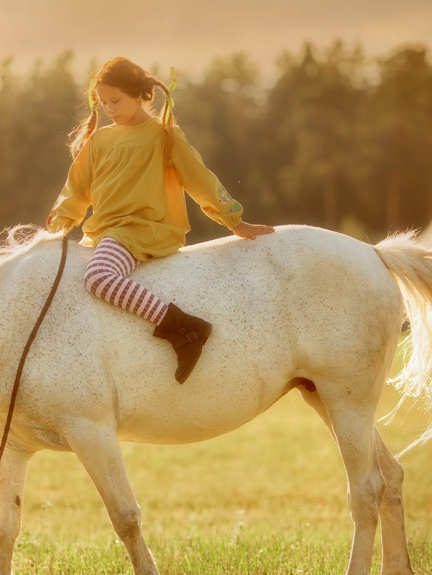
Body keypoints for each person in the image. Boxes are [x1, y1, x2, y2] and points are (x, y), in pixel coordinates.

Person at [46, 57, 274, 384]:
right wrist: (56, 227)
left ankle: (183, 326)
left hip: (143, 231)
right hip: (105, 233)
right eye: (103, 103)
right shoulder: (98, 141)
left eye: (116, 101)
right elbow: (75, 191)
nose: (110, 109)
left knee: (98, 278)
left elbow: (199, 178)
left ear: (140, 94)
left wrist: (234, 221)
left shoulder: (163, 135)